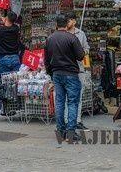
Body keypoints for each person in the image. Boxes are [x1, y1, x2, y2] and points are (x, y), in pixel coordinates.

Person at [45, 14, 85, 145]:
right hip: (71, 74)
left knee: (60, 102)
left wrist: (50, 73)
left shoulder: (50, 39)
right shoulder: (72, 38)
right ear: (67, 24)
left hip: (57, 74)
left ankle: (60, 131)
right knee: (72, 103)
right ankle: (71, 133)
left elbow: (46, 60)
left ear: (56, 24)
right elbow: (80, 56)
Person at [67, 11, 90, 130]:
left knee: (78, 97)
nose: (68, 23)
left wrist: (81, 52)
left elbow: (87, 48)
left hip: (79, 69)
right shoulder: (63, 34)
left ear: (74, 21)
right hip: (67, 70)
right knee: (68, 98)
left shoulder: (81, 34)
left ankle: (78, 120)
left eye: (69, 20)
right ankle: (68, 121)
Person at [0, 8, 24, 74]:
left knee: (4, 81)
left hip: (4, 58)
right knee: (16, 80)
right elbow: (9, 23)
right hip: (15, 58)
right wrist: (1, 16)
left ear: (7, 18)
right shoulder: (16, 28)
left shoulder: (0, 29)